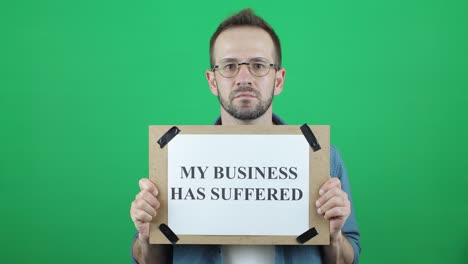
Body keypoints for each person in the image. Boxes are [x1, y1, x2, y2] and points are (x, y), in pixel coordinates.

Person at [130, 8, 360, 264]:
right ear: (212, 81)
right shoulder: (173, 157)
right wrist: (145, 237)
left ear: (279, 79)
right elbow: (150, 260)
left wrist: (335, 236)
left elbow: (346, 259)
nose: (243, 78)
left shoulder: (324, 159)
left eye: (258, 65)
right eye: (229, 66)